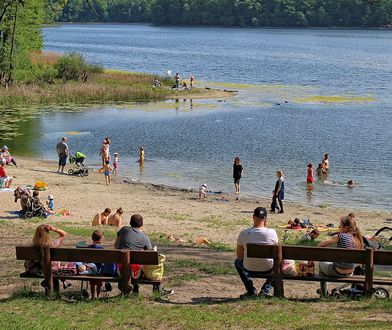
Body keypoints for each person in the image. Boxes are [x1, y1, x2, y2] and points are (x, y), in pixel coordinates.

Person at [235, 207, 278, 298]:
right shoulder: (272, 233)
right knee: (278, 265)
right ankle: (265, 290)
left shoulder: (244, 233)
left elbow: (239, 256)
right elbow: (277, 254)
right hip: (268, 267)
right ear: (266, 218)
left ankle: (251, 290)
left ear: (253, 217)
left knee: (237, 262)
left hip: (248, 267)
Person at [115, 214, 158, 293]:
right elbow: (148, 254)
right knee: (139, 265)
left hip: (120, 268)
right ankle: (134, 286)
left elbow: (116, 246)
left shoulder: (124, 230)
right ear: (141, 224)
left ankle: (128, 288)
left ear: (130, 222)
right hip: (135, 272)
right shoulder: (145, 237)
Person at [32, 224, 70, 292]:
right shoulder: (53, 244)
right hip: (53, 269)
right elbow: (64, 234)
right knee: (55, 266)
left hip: (40, 269)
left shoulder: (34, 246)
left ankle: (49, 286)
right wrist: (54, 229)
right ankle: (60, 285)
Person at [88, 230, 105, 299]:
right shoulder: (101, 248)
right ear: (100, 239)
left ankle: (92, 296)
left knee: (92, 284)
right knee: (99, 284)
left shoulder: (88, 248)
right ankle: (98, 296)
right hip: (99, 270)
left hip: (91, 270)